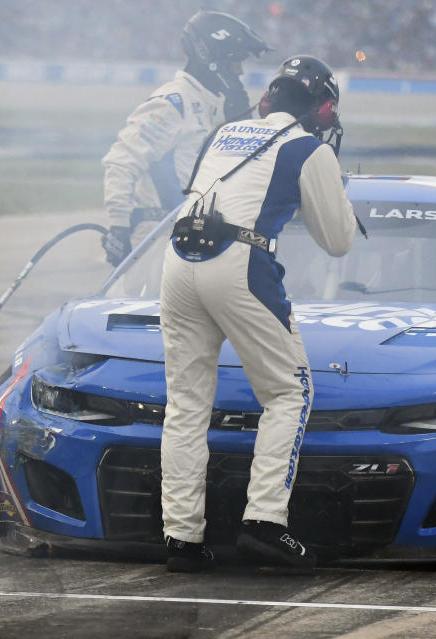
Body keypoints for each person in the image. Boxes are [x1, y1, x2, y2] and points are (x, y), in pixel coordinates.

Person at [158, 55, 356, 572]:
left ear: (268, 99)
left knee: (185, 403)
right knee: (289, 393)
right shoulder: (308, 147)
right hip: (240, 261)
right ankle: (265, 523)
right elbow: (337, 242)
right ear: (322, 108)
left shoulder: (226, 132)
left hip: (178, 259)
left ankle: (181, 537)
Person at [101, 10, 270, 266]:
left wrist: (241, 120)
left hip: (183, 238)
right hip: (153, 241)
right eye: (236, 61)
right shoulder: (174, 103)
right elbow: (122, 162)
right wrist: (119, 228)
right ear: (213, 58)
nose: (241, 71)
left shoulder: (203, 104)